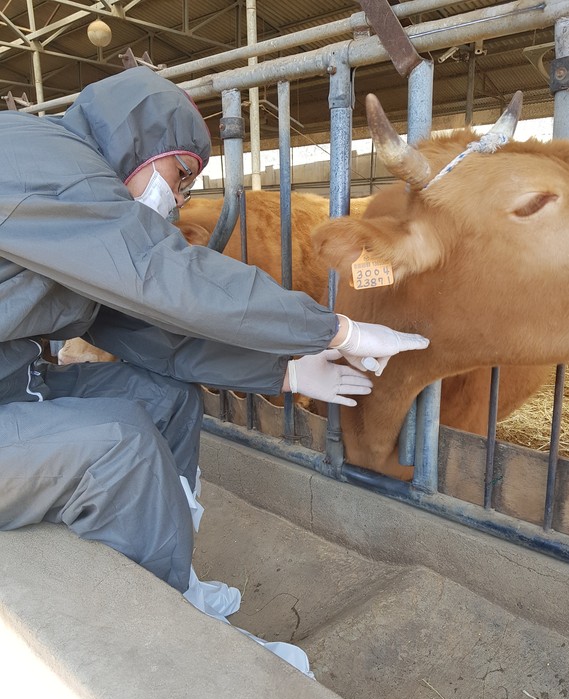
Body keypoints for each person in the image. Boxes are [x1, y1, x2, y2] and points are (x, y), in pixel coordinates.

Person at [0, 67, 428, 667]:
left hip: (14, 385)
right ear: (140, 144)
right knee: (120, 445)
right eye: (180, 178)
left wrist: (285, 373)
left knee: (165, 395)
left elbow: (147, 333)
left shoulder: (77, 199)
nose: (178, 201)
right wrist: (335, 327)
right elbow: (165, 276)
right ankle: (182, 650)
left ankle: (175, 576)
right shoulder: (46, 166)